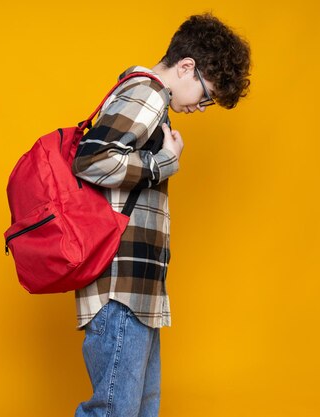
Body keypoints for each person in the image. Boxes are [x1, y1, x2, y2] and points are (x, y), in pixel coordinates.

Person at [72, 12, 251, 417]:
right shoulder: (148, 94)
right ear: (187, 66)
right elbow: (91, 160)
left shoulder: (149, 99)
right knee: (115, 412)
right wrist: (164, 162)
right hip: (121, 290)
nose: (202, 108)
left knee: (138, 410)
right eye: (205, 96)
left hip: (138, 292)